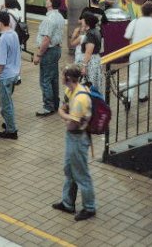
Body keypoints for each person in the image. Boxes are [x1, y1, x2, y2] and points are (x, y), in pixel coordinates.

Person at [52, 64, 96, 221]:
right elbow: (63, 108)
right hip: (72, 136)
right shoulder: (70, 90)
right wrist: (64, 114)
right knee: (69, 170)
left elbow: (72, 123)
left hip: (78, 137)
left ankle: (89, 207)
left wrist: (63, 114)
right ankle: (68, 203)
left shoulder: (80, 99)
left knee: (81, 173)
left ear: (68, 78)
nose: (61, 77)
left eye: (63, 75)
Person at [124, 1, 152, 108]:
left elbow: (127, 36)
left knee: (133, 76)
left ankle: (128, 97)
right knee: (144, 76)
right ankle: (142, 96)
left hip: (135, 52)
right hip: (148, 53)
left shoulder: (135, 22)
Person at [0, 11, 21, 139]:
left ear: (1, 23)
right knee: (9, 101)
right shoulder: (13, 33)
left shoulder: (3, 39)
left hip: (5, 76)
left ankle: (11, 131)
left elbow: (1, 63)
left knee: (5, 105)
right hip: (14, 73)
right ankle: (9, 124)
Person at [33, 0, 66, 117]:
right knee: (53, 78)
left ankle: (48, 107)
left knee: (45, 80)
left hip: (48, 51)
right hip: (56, 49)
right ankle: (55, 104)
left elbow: (46, 39)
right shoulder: (60, 17)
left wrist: (39, 54)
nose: (46, 0)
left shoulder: (49, 19)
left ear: (50, 4)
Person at [71, 13, 103, 93]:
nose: (81, 21)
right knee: (94, 85)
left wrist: (84, 66)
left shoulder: (90, 35)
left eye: (83, 20)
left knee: (89, 86)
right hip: (95, 60)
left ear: (87, 24)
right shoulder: (96, 31)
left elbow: (88, 52)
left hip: (91, 63)